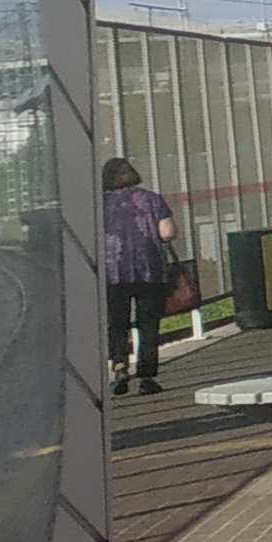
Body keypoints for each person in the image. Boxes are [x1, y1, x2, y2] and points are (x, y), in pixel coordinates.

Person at [101, 157, 176, 394]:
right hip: (150, 270)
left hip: (113, 272)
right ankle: (146, 378)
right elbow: (167, 232)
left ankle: (120, 367)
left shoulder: (100, 205)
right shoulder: (151, 199)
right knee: (148, 324)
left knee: (116, 322)